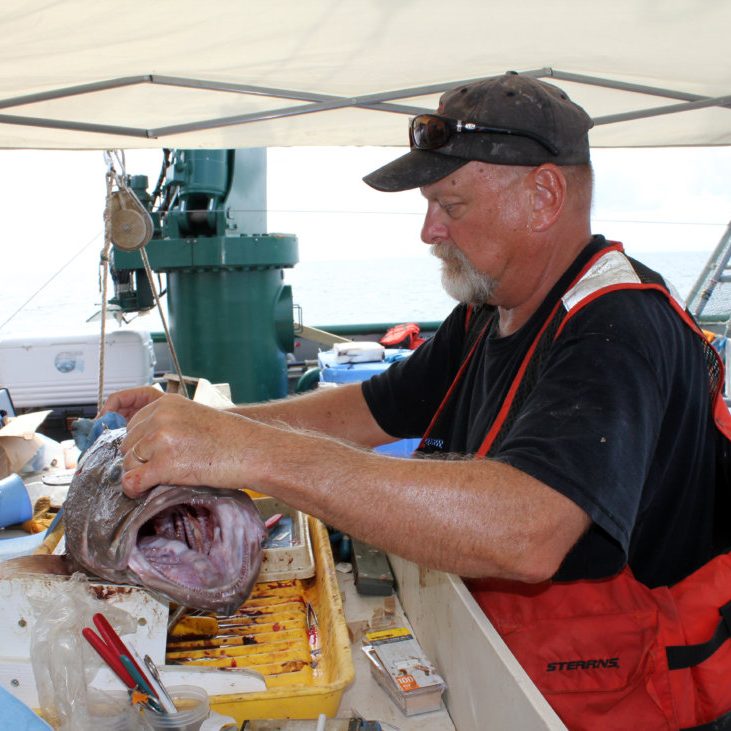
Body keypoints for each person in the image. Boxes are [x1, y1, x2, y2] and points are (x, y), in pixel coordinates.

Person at [103, 73, 731, 729]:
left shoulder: (616, 326)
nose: (429, 231)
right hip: (515, 669)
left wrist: (256, 454)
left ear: (543, 195)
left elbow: (529, 531)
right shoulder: (492, 310)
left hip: (641, 699)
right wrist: (213, 428)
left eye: (450, 205)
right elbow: (366, 412)